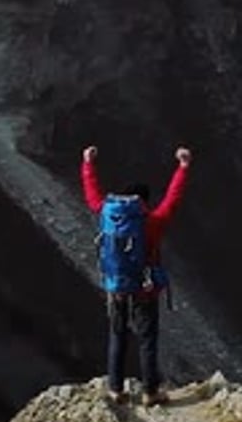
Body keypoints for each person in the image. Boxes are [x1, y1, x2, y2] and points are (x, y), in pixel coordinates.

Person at [81, 144, 192, 406]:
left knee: (118, 336)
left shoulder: (107, 213)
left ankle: (116, 389)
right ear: (144, 201)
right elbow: (173, 199)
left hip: (116, 286)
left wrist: (88, 164)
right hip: (144, 289)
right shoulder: (153, 221)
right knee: (148, 340)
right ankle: (150, 392)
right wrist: (183, 167)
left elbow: (91, 194)